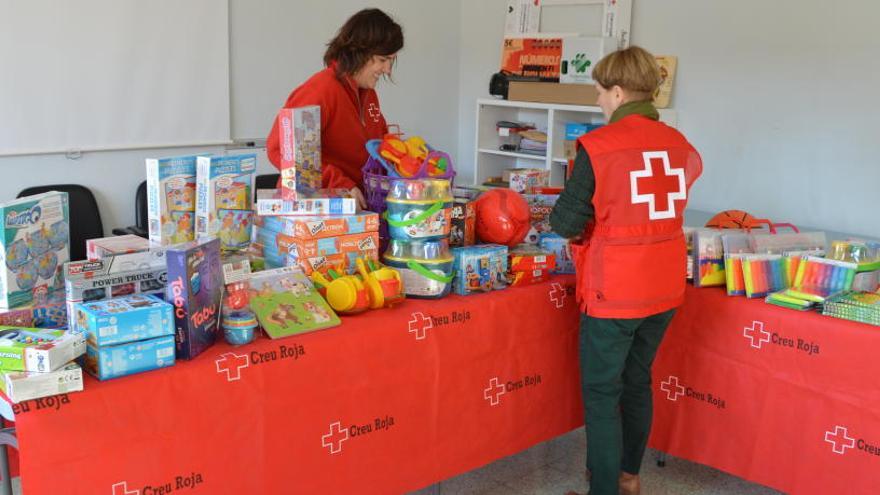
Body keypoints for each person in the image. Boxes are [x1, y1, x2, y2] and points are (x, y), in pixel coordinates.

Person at [550, 46, 702, 495]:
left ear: (617, 92)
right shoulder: (679, 143)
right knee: (637, 382)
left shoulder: (598, 147)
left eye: (599, 92)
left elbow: (564, 223)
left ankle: (603, 491)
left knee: (602, 394)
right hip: (664, 287)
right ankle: (629, 478)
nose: (598, 101)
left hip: (614, 291)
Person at [266, 8, 404, 208]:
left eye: (392, 60)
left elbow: (378, 148)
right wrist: (340, 185)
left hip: (358, 212)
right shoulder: (322, 90)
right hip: (315, 212)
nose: (387, 70)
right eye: (383, 60)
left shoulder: (369, 95)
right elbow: (279, 149)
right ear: (360, 53)